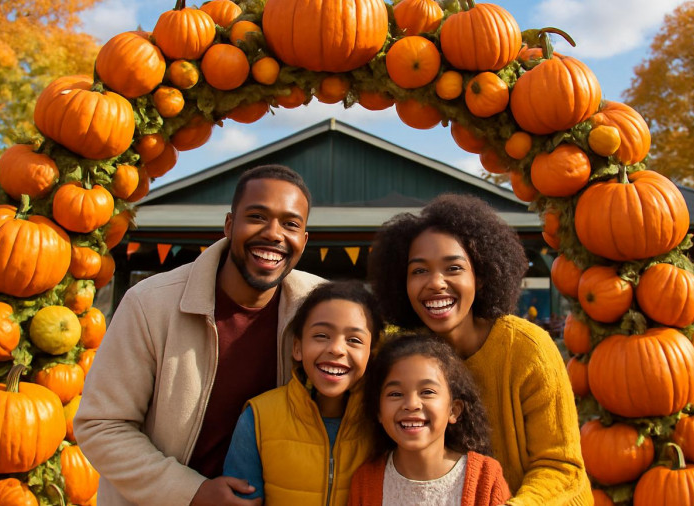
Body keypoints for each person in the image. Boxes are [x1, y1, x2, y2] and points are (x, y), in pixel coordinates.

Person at [75, 165, 325, 506]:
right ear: (228, 225)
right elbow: (101, 425)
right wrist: (191, 493)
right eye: (257, 217)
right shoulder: (151, 304)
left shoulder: (321, 310)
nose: (273, 234)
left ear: (304, 240)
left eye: (290, 224)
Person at [367, 194, 591, 505]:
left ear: (481, 276)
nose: (436, 283)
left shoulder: (528, 350)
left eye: (453, 268)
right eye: (419, 271)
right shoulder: (396, 353)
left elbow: (561, 467)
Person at [223, 281, 382, 505]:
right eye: (321, 336)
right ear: (297, 347)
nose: (336, 349)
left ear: (371, 354)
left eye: (353, 340)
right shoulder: (258, 418)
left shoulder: (383, 423)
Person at [349, 334, 510, 506]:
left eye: (427, 392)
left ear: (453, 410)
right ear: (379, 411)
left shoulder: (485, 478)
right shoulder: (365, 481)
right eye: (395, 394)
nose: (411, 405)